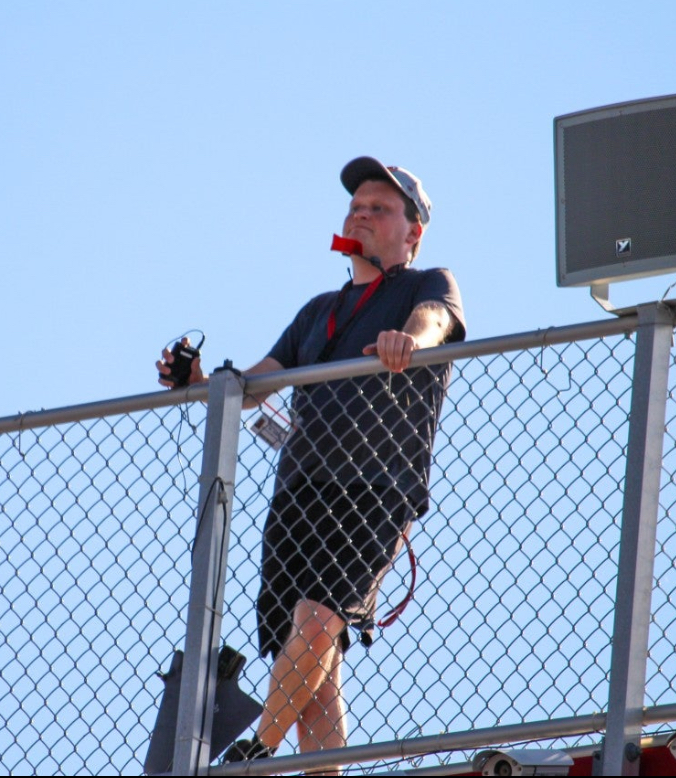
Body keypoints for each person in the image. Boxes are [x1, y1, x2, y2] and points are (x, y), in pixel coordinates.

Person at [157, 156, 466, 769]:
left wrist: (410, 340)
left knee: (319, 622)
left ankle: (255, 754)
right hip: (301, 490)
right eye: (357, 207)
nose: (362, 214)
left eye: (380, 208)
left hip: (375, 484)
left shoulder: (427, 285)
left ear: (413, 232)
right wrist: (202, 379)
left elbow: (438, 322)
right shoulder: (318, 309)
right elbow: (258, 383)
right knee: (313, 678)